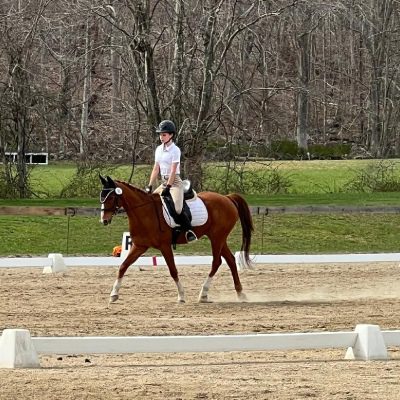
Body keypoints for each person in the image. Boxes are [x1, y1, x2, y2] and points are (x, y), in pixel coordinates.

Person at [146, 120, 197, 242]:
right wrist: (149, 185)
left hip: (175, 183)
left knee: (178, 209)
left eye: (164, 134)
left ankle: (189, 230)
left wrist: (168, 186)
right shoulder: (158, 149)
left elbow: (173, 171)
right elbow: (155, 168)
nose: (161, 137)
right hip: (163, 182)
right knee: (150, 202)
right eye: (160, 134)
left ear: (171, 135)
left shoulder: (175, 150)